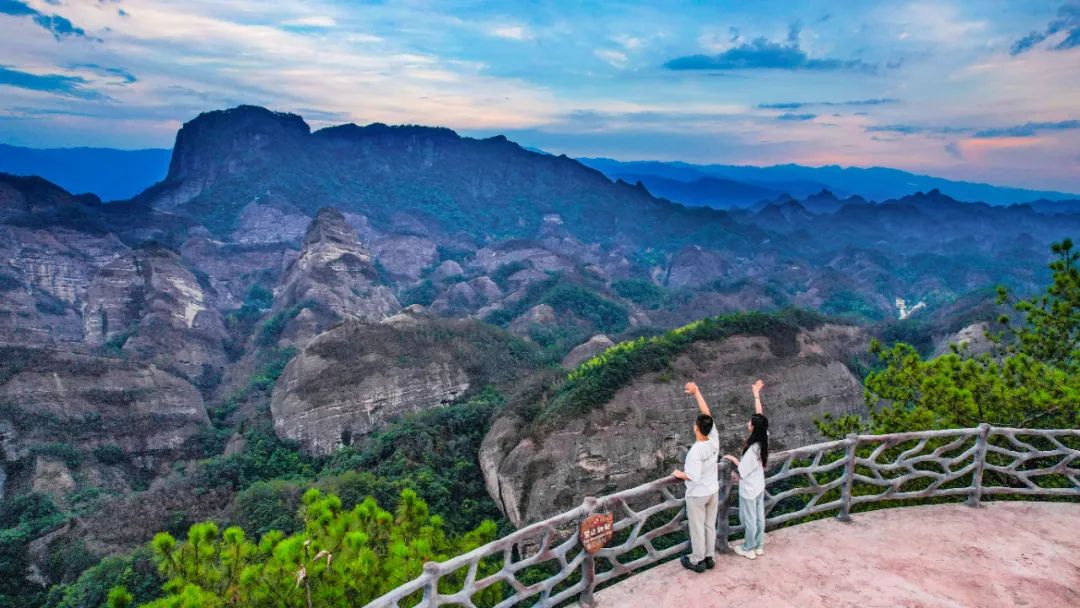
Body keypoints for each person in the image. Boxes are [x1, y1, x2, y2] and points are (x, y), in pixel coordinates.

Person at [671, 381, 720, 574]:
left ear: (697, 428)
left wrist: (677, 474)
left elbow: (691, 476)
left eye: (695, 424)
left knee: (698, 527)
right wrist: (697, 392)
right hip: (712, 491)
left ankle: (697, 560)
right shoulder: (714, 440)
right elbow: (708, 415)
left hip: (698, 494)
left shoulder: (695, 451)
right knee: (710, 525)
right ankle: (710, 557)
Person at [723, 379, 769, 560]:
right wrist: (756, 394)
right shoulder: (763, 438)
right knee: (759, 517)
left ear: (753, 427)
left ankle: (749, 548)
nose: (748, 422)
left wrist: (733, 458)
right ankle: (759, 545)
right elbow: (761, 416)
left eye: (750, 422)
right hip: (759, 485)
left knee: (749, 520)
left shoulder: (752, 451)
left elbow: (742, 471)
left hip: (749, 489)